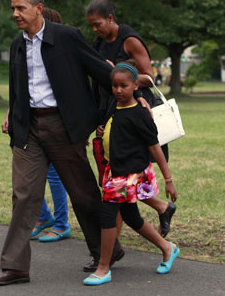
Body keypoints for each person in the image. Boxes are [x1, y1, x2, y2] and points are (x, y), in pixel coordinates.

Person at [0, 0, 124, 286]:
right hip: (29, 129)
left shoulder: (67, 36)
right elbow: (18, 87)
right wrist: (14, 117)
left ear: (38, 8)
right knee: (24, 196)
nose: (15, 14)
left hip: (63, 126)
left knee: (83, 193)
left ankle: (106, 251)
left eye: (20, 8)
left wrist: (122, 105)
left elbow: (103, 74)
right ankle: (15, 267)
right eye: (13, 8)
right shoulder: (16, 45)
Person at [85, 0, 175, 243]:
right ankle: (160, 210)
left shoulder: (130, 40)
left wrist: (120, 72)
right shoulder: (99, 43)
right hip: (110, 111)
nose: (95, 30)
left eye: (98, 24)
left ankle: (113, 245)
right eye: (91, 26)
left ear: (111, 19)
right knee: (121, 179)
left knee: (121, 180)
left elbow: (149, 77)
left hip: (132, 112)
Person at [83, 60, 179, 286]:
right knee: (130, 216)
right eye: (115, 85)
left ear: (136, 85)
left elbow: (155, 147)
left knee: (107, 214)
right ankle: (167, 247)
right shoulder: (113, 106)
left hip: (129, 173)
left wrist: (168, 179)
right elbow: (113, 126)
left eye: (123, 86)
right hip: (114, 169)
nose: (118, 90)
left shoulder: (140, 112)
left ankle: (103, 268)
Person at [1, 8, 70, 243]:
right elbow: (24, 88)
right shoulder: (24, 48)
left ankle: (61, 223)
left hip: (54, 123)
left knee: (54, 175)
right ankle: (44, 218)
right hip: (28, 121)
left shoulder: (57, 53)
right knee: (25, 176)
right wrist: (11, 114)